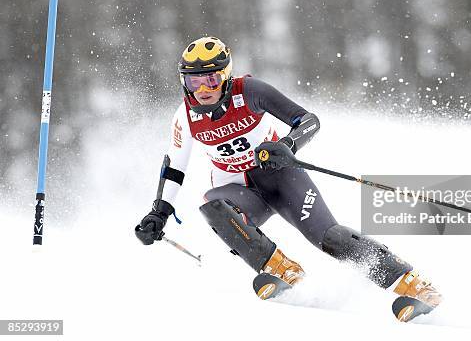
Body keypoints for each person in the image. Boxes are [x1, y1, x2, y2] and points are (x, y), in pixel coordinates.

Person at [134, 36, 442, 322]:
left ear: (225, 76)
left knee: (330, 238)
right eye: (194, 81)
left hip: (281, 177)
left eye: (211, 79)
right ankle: (281, 270)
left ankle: (410, 282)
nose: (204, 90)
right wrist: (159, 212)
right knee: (214, 206)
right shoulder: (184, 116)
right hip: (241, 191)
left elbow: (309, 121)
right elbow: (175, 167)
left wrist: (287, 145)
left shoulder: (250, 91)